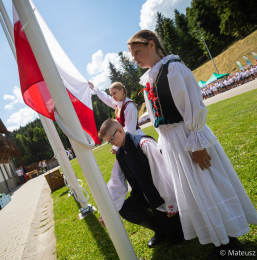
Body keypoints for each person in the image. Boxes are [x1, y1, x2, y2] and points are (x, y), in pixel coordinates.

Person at [128, 30, 257, 259]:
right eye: (132, 55)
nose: (135, 58)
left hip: (187, 137)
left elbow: (192, 106)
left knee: (207, 185)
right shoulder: (150, 77)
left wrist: (197, 144)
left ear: (151, 45)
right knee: (194, 192)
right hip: (172, 142)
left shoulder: (173, 68)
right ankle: (219, 240)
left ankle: (230, 244)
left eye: (137, 52)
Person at [99, 119, 184, 247]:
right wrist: (107, 210)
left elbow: (164, 174)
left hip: (161, 197)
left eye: (111, 139)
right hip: (144, 195)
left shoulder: (144, 144)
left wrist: (171, 202)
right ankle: (159, 229)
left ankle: (171, 220)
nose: (111, 143)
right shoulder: (120, 154)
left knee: (176, 237)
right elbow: (116, 182)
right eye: (108, 142)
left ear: (120, 130)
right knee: (126, 209)